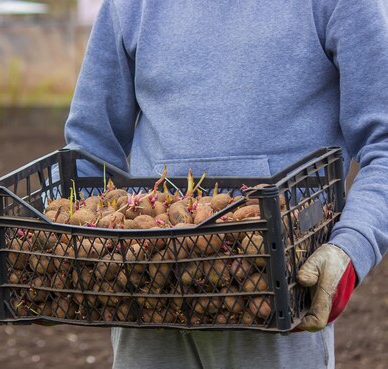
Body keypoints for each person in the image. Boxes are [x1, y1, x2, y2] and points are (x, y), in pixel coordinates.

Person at [62, 1, 388, 368]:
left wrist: (352, 246)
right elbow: (91, 142)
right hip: (151, 286)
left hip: (275, 289)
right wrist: (89, 258)